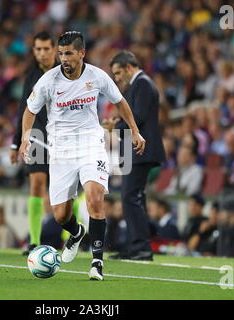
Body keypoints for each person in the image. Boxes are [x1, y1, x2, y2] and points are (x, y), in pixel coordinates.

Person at [19, 31, 145, 280]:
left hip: (90, 144)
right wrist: (25, 136)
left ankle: (97, 263)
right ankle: (76, 232)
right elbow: (30, 110)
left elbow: (120, 102)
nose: (63, 58)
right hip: (61, 150)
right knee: (60, 215)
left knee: (95, 198)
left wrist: (135, 131)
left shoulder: (97, 76)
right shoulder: (48, 80)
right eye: (61, 53)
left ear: (81, 53)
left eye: (68, 53)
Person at [106, 50, 166, 261]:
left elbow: (137, 117)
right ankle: (135, 246)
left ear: (129, 67)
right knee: (132, 198)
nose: (117, 78)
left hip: (141, 150)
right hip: (136, 151)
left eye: (118, 72)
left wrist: (118, 125)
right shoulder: (140, 84)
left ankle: (140, 248)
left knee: (131, 197)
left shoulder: (142, 84)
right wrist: (118, 124)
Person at [10, 32, 58, 255]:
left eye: (46, 49)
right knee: (37, 185)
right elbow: (23, 109)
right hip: (38, 136)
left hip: (63, 136)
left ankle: (71, 239)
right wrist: (15, 142)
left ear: (54, 49)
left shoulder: (65, 72)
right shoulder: (32, 75)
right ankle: (34, 241)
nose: (42, 53)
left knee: (67, 190)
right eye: (38, 49)